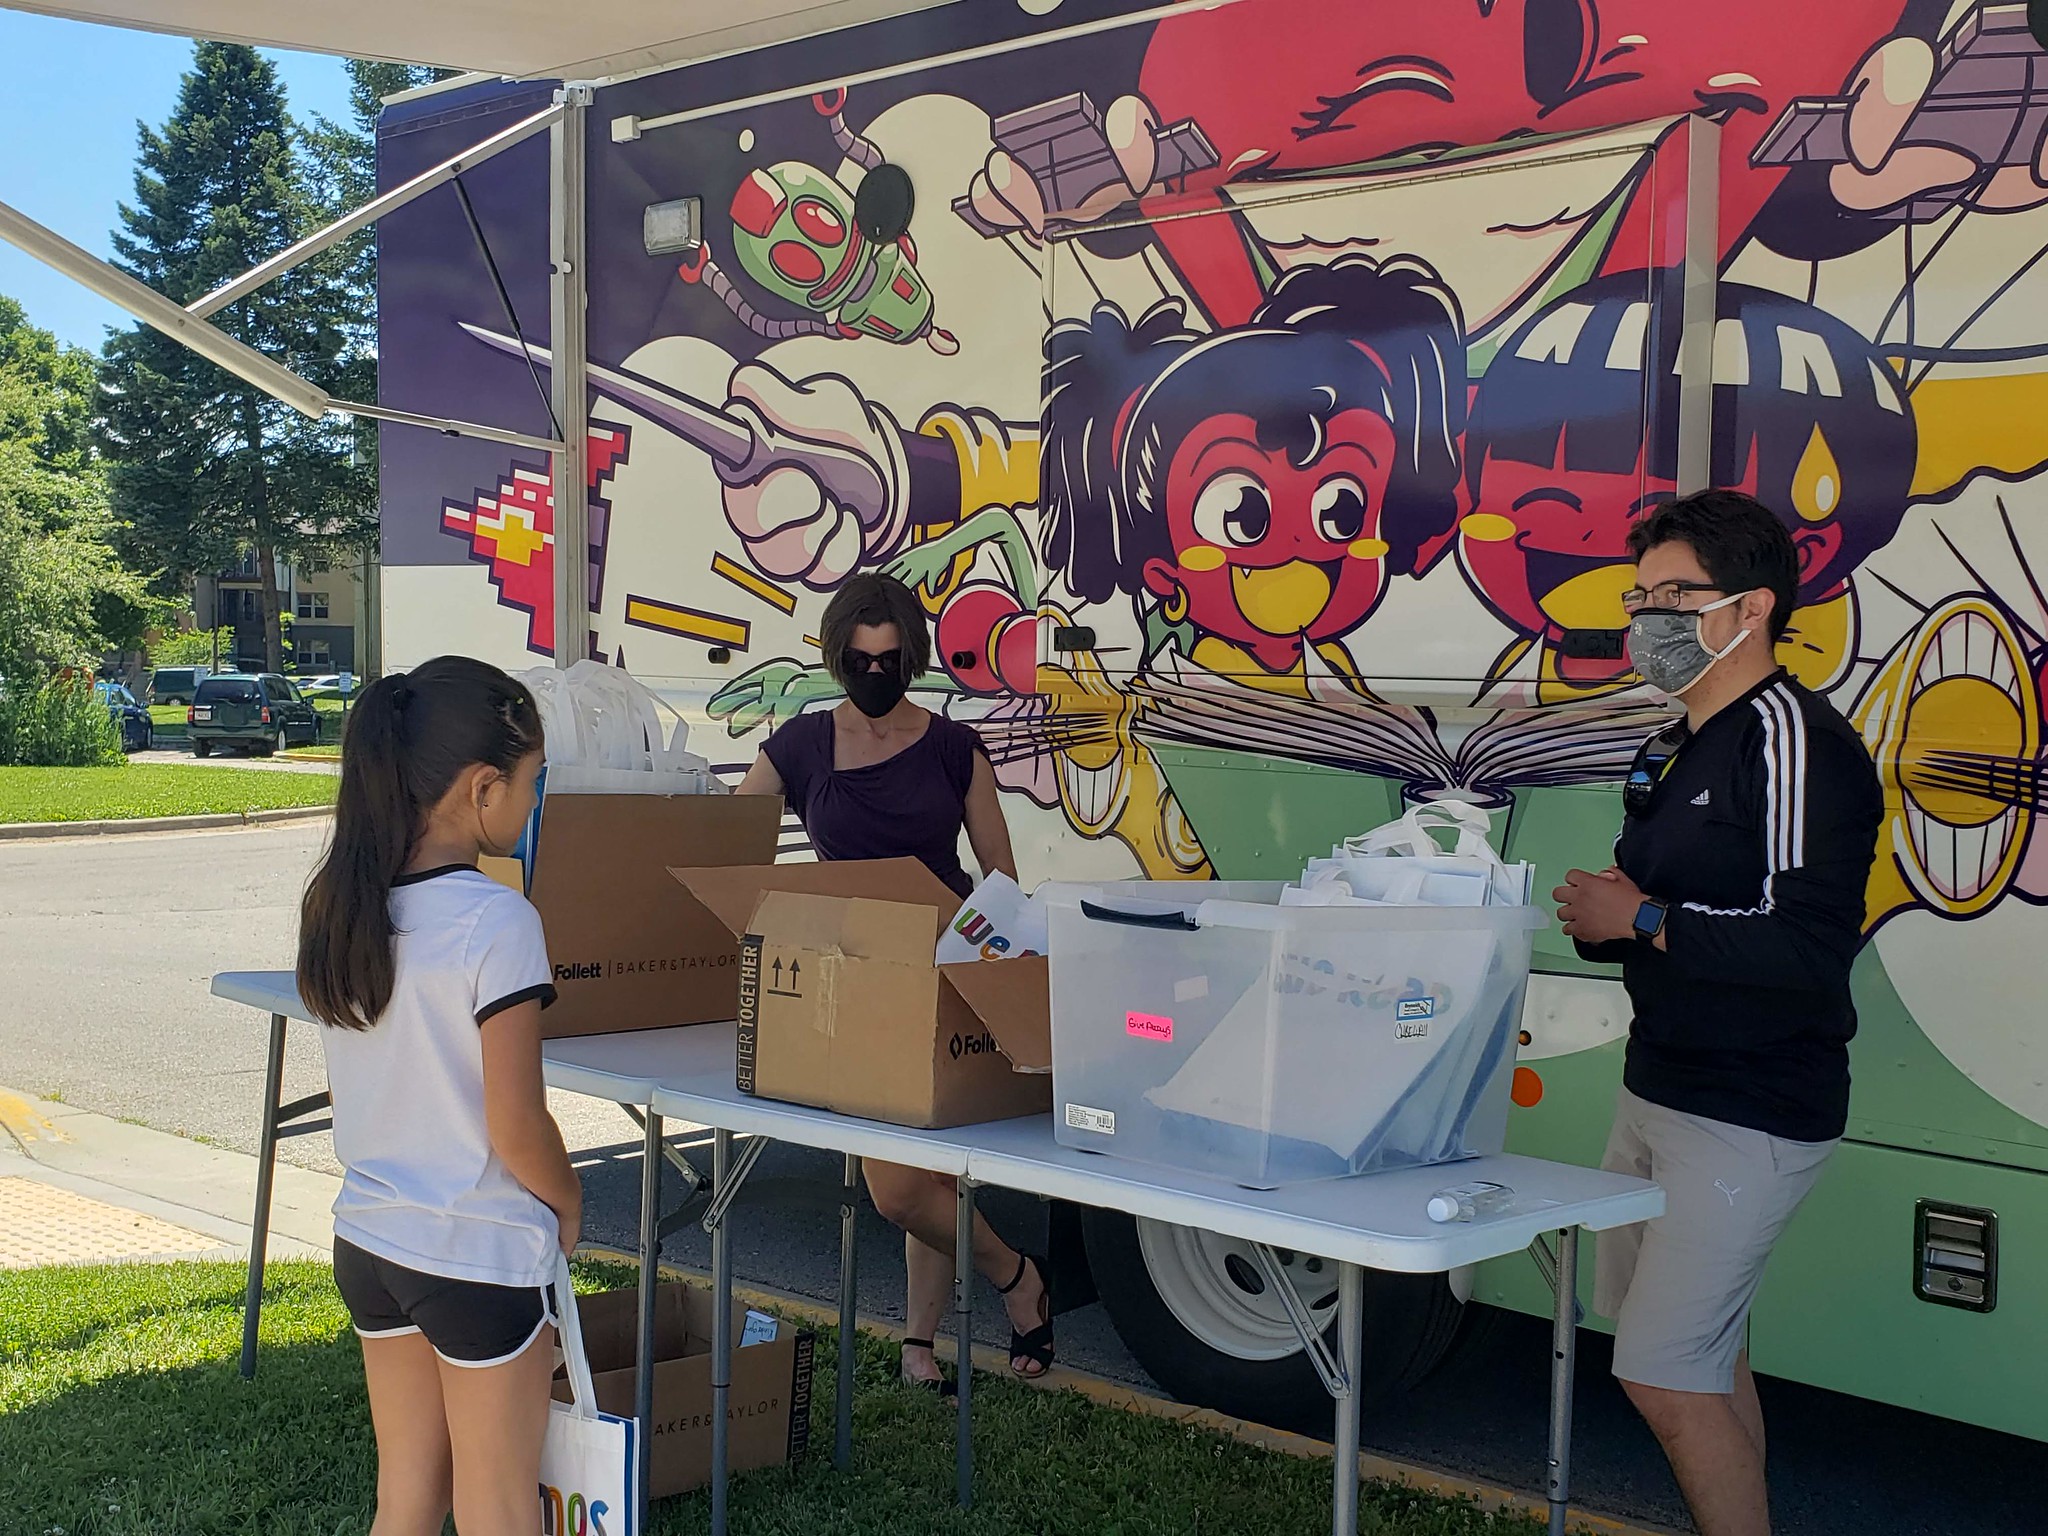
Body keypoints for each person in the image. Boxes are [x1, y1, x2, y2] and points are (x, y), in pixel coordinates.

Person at [1553, 491, 1883, 1536]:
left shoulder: (1791, 741)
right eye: (1636, 594)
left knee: (1660, 1377)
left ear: (1749, 608)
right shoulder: (1670, 743)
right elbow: (1657, 900)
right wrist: (1603, 917)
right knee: (1703, 1357)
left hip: (1747, 1110)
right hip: (1657, 1087)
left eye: (1671, 595)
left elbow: (1804, 946)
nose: (1643, 618)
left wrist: (1642, 915)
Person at [738, 571, 1053, 1390]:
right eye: (859, 660)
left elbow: (1001, 881)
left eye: (890, 662)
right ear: (837, 654)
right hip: (854, 979)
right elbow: (733, 845)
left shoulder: (954, 748)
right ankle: (1016, 1276)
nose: (875, 676)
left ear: (911, 657)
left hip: (944, 968)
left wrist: (993, 955)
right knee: (901, 1187)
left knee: (923, 1176)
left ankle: (923, 1337)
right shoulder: (801, 745)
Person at [297, 656, 580, 1536]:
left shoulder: (345, 905)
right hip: (477, 1251)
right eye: (534, 785)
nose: (535, 807)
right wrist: (568, 1203)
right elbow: (516, 1121)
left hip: (372, 1241)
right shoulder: (500, 920)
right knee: (502, 1510)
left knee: (408, 1502)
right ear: (482, 786)